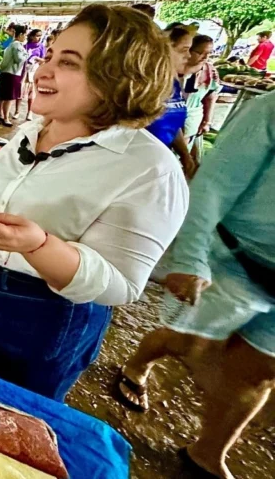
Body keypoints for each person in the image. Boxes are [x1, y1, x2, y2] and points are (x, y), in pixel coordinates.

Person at [0, 4, 188, 401]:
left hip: (44, 319)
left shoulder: (149, 168)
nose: (43, 70)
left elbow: (122, 283)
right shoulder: (32, 130)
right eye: (50, 56)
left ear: (117, 78)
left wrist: (39, 246)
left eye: (69, 63)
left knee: (11, 418)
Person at [115, 92, 275, 479]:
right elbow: (213, 184)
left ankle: (208, 452)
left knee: (261, 371)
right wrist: (191, 257)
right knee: (190, 341)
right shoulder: (269, 109)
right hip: (237, 258)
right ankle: (138, 363)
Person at [146, 24, 198, 179]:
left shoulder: (173, 83)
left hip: (160, 162)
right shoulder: (143, 84)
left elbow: (173, 125)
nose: (188, 56)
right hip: (140, 162)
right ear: (165, 49)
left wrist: (185, 155)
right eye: (183, 50)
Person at [183, 34, 220, 164]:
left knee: (180, 154)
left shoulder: (209, 72)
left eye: (209, 53)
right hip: (168, 117)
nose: (205, 57)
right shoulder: (175, 66)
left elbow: (210, 97)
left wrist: (206, 121)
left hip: (191, 118)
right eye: (200, 53)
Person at [0, 25, 29, 126]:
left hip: (6, 72)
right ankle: (6, 118)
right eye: (25, 35)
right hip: (12, 74)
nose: (25, 37)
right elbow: (19, 59)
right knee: (9, 97)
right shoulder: (17, 45)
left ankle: (1, 115)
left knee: (3, 96)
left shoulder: (12, 44)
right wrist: (27, 55)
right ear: (21, 34)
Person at [21, 28, 46, 122]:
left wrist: (37, 59)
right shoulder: (25, 46)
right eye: (37, 36)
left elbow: (44, 60)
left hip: (34, 71)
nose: (39, 38)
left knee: (32, 93)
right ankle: (16, 111)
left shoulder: (41, 47)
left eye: (40, 36)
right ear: (31, 36)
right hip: (24, 71)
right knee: (21, 92)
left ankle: (29, 112)